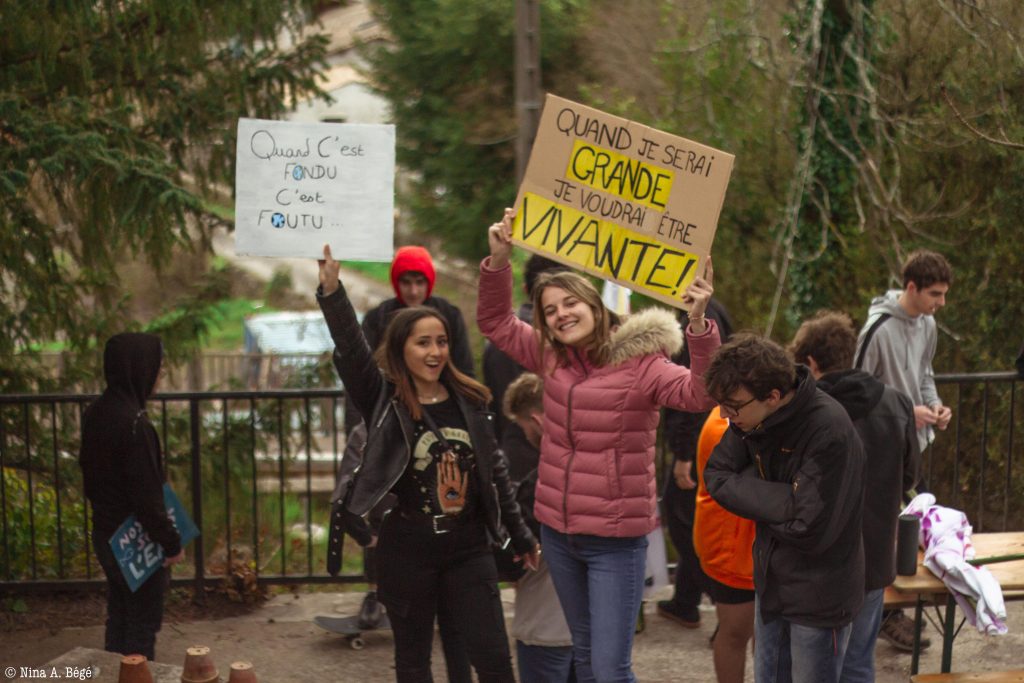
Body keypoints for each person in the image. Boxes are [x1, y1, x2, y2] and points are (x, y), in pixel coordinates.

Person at [478, 208, 720, 683]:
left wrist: (697, 324)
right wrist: (499, 260)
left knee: (610, 669)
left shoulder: (644, 364)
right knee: (585, 659)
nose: (560, 314)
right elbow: (495, 322)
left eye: (569, 303)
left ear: (593, 305)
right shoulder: (551, 357)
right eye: (549, 310)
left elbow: (701, 392)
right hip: (559, 535)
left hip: (615, 542)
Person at [317, 245, 538, 683]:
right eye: (423, 343)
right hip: (408, 548)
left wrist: (520, 534)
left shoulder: (471, 401)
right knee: (414, 662)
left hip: (469, 548)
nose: (435, 351)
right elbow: (352, 348)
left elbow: (495, 474)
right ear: (402, 350)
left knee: (493, 658)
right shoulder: (385, 400)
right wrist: (332, 291)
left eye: (441, 342)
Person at [346, 244, 477, 680]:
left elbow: (466, 371)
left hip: (443, 442)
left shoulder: (449, 315)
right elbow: (360, 376)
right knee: (384, 521)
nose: (415, 289)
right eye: (407, 282)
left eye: (421, 281)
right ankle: (372, 589)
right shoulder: (379, 318)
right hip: (391, 434)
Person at [703, 334, 864, 683]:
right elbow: (715, 474)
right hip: (771, 585)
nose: (725, 415)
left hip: (820, 599)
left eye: (733, 405)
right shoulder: (749, 418)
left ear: (773, 397)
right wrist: (787, 498)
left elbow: (808, 527)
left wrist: (757, 492)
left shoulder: (829, 429)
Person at [791, 310, 921, 682]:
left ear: (811, 362)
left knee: (812, 667)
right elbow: (910, 475)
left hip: (817, 557)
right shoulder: (897, 403)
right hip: (875, 553)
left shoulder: (803, 410)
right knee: (859, 664)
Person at [854, 248, 951, 652]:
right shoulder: (876, 329)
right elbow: (855, 390)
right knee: (883, 534)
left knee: (917, 526)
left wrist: (936, 406)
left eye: (944, 294)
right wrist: (903, 411)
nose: (940, 303)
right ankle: (886, 617)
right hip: (878, 450)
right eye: (934, 294)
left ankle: (896, 612)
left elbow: (925, 374)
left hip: (913, 446)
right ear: (910, 288)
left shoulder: (927, 324)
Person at [79, 333, 184, 660]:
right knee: (141, 628)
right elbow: (148, 499)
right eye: (158, 366)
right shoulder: (136, 425)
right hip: (136, 543)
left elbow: (90, 481)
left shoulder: (95, 413)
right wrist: (171, 543)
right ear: (139, 368)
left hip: (106, 536)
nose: (160, 373)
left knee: (120, 618)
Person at [658, 299, 733, 629]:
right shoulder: (713, 313)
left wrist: (683, 454)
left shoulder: (701, 320)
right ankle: (686, 601)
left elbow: (695, 391)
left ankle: (724, 599)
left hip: (702, 437)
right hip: (713, 434)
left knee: (683, 520)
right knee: (690, 518)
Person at [502, 372, 577, 681]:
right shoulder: (599, 463)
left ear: (536, 420)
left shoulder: (539, 483)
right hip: (592, 625)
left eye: (522, 427)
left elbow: (515, 558)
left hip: (544, 623)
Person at [483, 253, 568, 483]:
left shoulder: (496, 343)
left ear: (524, 287)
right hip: (563, 465)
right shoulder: (572, 343)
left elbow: (491, 404)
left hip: (510, 457)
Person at [692, 407, 754, 683]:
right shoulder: (727, 426)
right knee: (735, 632)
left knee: (758, 637)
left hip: (748, 548)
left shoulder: (741, 410)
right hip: (736, 551)